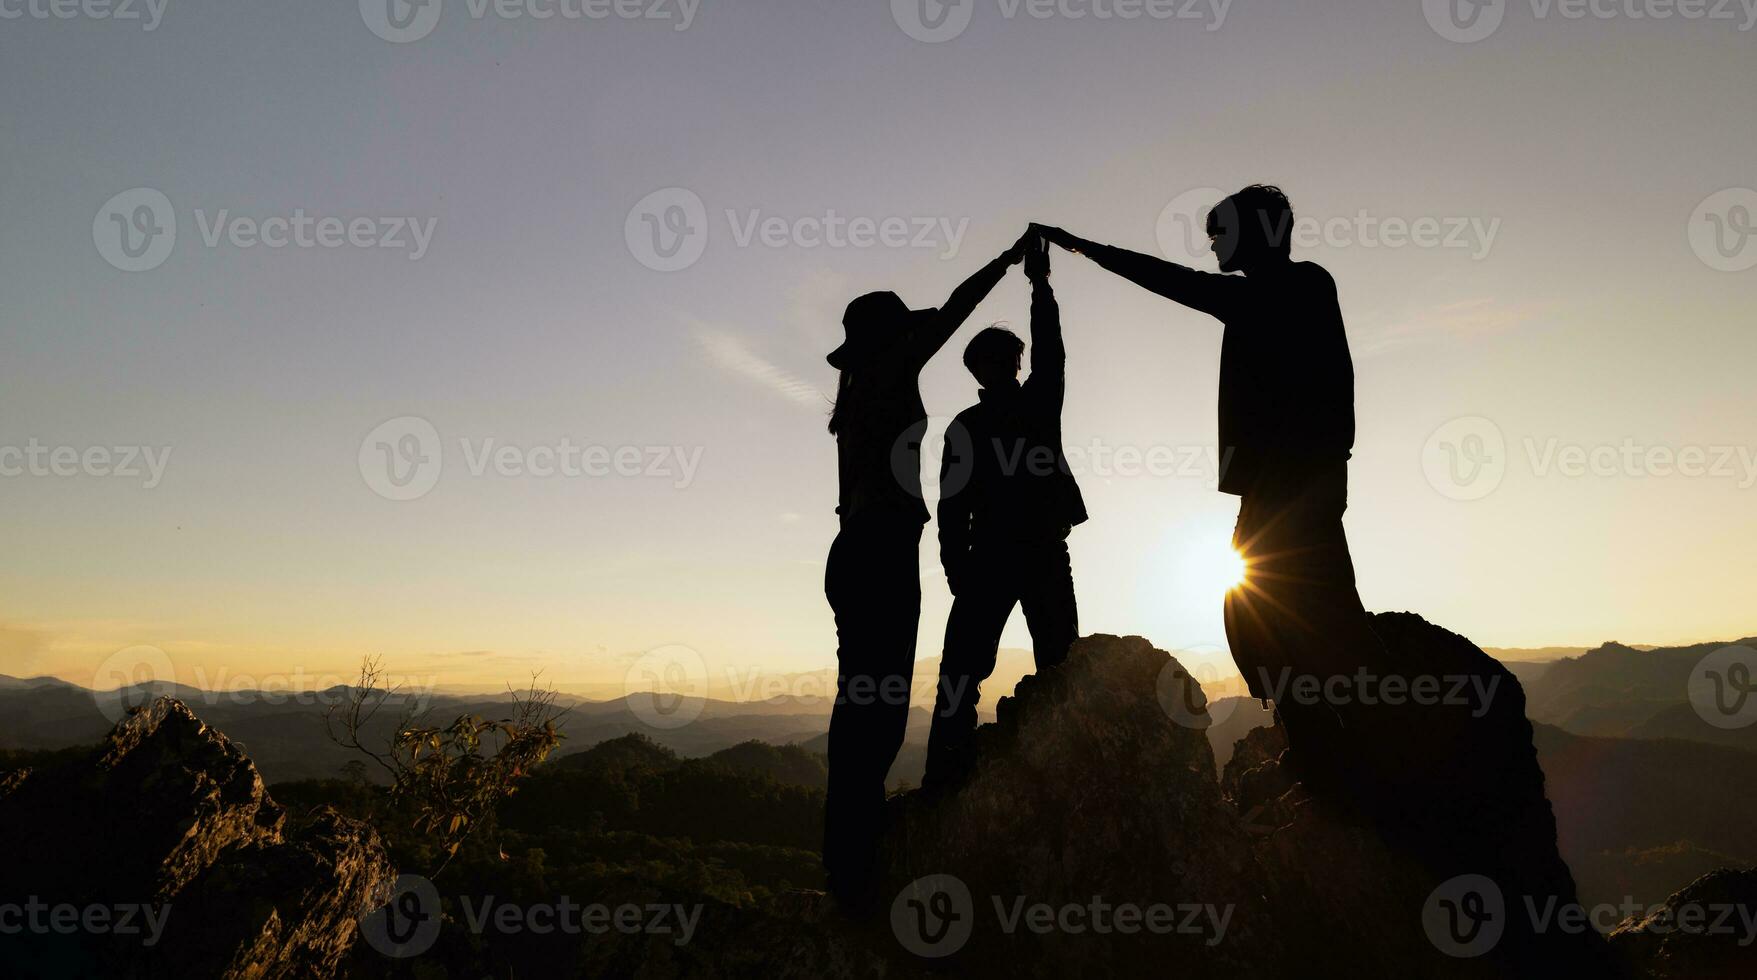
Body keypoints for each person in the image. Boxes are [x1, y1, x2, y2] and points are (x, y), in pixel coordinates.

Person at [1031, 187, 1384, 791]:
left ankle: (1338, 757)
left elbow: (1165, 279)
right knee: (1284, 616)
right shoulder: (1295, 288)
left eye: (1222, 233)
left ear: (1256, 233)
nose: (1214, 245)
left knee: (1278, 618)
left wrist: (1076, 246)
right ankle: (1327, 748)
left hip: (1291, 489)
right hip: (1294, 487)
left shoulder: (1280, 291)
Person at [823, 234, 1028, 907]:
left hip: (855, 552)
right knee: (875, 712)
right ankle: (855, 873)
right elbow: (952, 311)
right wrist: (1004, 261)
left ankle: (846, 861)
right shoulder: (888, 373)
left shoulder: (855, 398)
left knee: (861, 704)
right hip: (881, 555)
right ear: (888, 338)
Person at [923, 238, 1086, 790]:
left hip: (997, 556)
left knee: (965, 675)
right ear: (1007, 364)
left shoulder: (967, 427)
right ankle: (1062, 771)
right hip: (1025, 552)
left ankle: (946, 778)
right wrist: (1040, 285)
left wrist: (956, 570)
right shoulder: (1033, 405)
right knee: (1056, 665)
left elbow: (950, 511)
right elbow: (1053, 349)